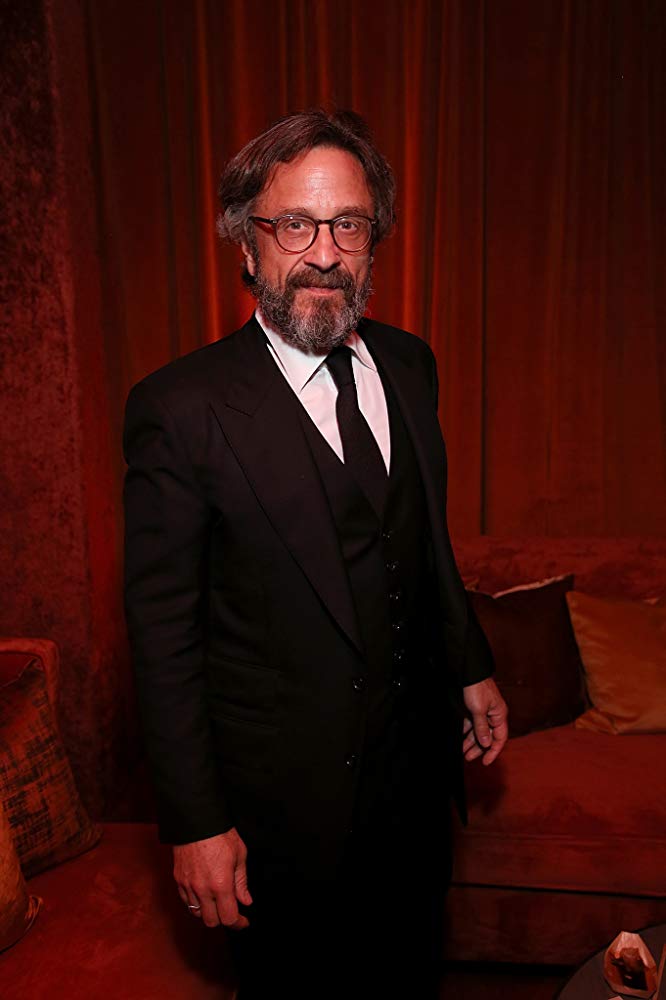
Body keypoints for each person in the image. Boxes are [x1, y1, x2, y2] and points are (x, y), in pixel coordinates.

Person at [123, 109, 508, 999]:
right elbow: (163, 638)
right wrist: (195, 823)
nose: (325, 254)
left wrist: (470, 665)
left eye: (350, 226)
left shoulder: (410, 366)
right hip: (283, 816)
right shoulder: (180, 409)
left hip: (415, 787)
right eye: (295, 225)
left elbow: (425, 541)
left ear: (375, 243)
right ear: (247, 244)